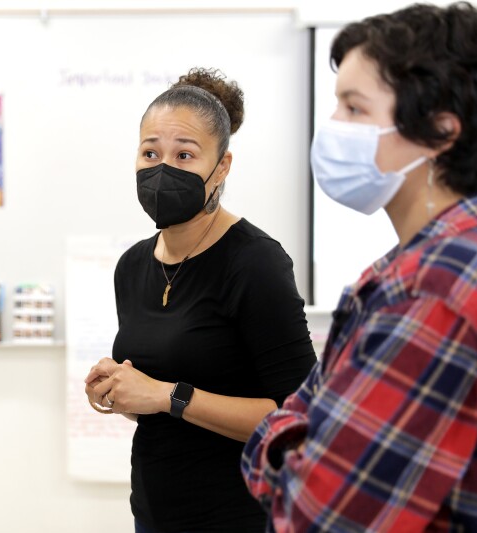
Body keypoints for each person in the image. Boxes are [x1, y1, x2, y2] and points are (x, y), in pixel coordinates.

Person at [241, 3, 477, 531]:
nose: (332, 128)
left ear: (441, 131)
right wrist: (302, 441)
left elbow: (316, 517)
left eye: (354, 108)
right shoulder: (420, 269)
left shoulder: (435, 295)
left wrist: (284, 446)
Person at [85, 68, 317, 533]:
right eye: (150, 152)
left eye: (184, 155)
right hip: (154, 514)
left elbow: (300, 419)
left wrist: (168, 395)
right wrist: (122, 393)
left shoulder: (256, 263)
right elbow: (159, 404)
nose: (162, 168)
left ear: (222, 167)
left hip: (240, 517)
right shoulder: (132, 266)